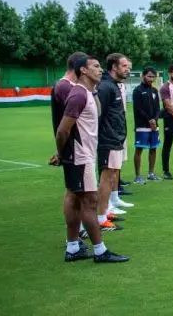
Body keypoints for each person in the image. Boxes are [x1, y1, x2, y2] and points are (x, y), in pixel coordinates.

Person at [55, 55, 129, 263]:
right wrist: (62, 153)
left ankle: (73, 248)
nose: (100, 70)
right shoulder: (78, 94)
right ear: (83, 71)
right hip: (80, 156)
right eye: (95, 66)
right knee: (89, 202)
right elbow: (62, 130)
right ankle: (99, 250)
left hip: (83, 154)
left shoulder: (87, 92)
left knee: (75, 198)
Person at [51, 52, 88, 245]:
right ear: (80, 67)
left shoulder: (72, 87)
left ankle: (79, 231)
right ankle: (73, 240)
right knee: (73, 192)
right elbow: (66, 125)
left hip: (78, 147)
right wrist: (62, 150)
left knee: (78, 191)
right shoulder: (65, 86)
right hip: (74, 147)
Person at [96, 53, 132, 231]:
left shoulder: (115, 85)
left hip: (116, 138)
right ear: (114, 67)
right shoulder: (105, 87)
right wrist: (104, 137)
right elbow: (98, 115)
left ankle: (105, 211)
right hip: (108, 139)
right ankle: (100, 218)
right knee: (106, 177)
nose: (128, 69)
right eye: (124, 66)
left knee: (111, 177)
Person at [132, 67, 161, 183]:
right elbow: (138, 109)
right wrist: (149, 119)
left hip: (154, 125)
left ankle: (151, 173)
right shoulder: (137, 90)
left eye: (153, 76)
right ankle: (138, 176)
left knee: (153, 148)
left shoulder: (154, 90)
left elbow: (158, 108)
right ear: (143, 76)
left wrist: (155, 119)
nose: (151, 78)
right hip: (142, 125)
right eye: (149, 76)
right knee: (139, 149)